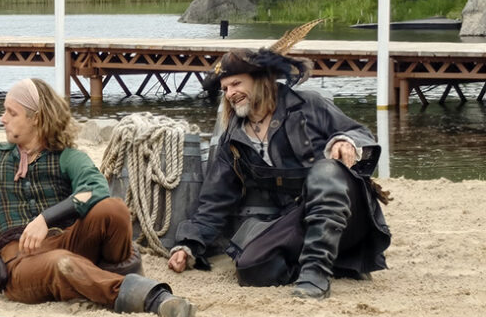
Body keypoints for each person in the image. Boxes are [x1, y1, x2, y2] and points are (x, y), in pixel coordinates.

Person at [0, 78, 195, 317]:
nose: (3, 118)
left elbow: (96, 189)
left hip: (68, 241)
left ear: (36, 118)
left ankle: (107, 273)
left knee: (114, 209)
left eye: (11, 112)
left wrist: (45, 219)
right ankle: (153, 298)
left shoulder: (67, 156)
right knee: (61, 263)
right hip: (20, 262)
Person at [167, 22, 391, 299]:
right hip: (295, 220)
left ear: (260, 79)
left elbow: (361, 133)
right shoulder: (233, 140)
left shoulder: (309, 104)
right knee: (251, 269)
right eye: (225, 89)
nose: (230, 93)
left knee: (325, 173)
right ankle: (334, 263)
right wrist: (188, 245)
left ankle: (315, 275)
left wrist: (346, 142)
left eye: (236, 83)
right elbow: (214, 201)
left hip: (346, 215)